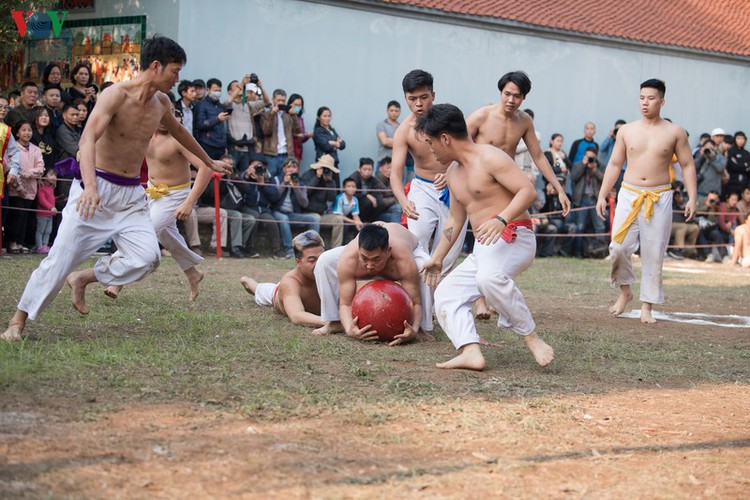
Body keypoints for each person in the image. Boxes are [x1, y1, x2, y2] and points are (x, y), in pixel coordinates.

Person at [2, 35, 230, 342]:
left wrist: (209, 161)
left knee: (148, 257)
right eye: (175, 71)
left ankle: (83, 279)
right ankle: (18, 320)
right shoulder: (115, 96)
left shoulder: (162, 103)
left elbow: (181, 134)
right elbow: (87, 138)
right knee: (60, 260)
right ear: (156, 66)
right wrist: (92, 188)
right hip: (95, 190)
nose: (178, 79)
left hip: (132, 194)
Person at [413, 103, 553, 371]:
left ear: (445, 139)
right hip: (485, 247)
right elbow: (455, 219)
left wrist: (501, 219)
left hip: (514, 235)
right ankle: (470, 351)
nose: (430, 150)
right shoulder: (453, 174)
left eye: (431, 143)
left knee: (488, 278)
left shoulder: (490, 157)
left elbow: (527, 192)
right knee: (446, 293)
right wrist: (437, 257)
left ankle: (532, 338)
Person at [466, 71, 570, 316]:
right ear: (500, 92)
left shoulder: (524, 121)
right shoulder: (481, 116)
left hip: (506, 183)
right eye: (507, 94)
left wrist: (558, 187)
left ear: (524, 98)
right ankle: (481, 299)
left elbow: (537, 155)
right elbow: (457, 145)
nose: (511, 100)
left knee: (502, 234)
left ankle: (490, 289)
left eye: (517, 96)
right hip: (480, 183)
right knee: (481, 236)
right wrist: (446, 171)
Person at [595, 78, 697, 324]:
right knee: (618, 247)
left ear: (661, 101)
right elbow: (615, 164)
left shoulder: (675, 132)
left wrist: (692, 197)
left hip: (659, 196)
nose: (645, 103)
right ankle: (625, 292)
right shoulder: (627, 130)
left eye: (650, 98)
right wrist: (602, 193)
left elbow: (687, 164)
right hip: (629, 193)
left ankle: (647, 306)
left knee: (654, 252)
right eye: (642, 98)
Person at [104, 102, 216, 300]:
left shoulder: (179, 139)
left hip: (176, 195)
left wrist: (189, 203)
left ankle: (116, 281)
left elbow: (206, 168)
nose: (166, 117)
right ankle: (193, 273)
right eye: (162, 112)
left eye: (171, 113)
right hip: (151, 191)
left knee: (143, 232)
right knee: (168, 237)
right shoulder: (144, 134)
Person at [389, 70, 466, 332]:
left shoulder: (450, 120)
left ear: (434, 94)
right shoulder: (405, 131)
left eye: (424, 97)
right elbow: (396, 174)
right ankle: (419, 314)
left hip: (454, 188)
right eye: (413, 99)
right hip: (421, 189)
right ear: (405, 99)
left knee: (448, 252)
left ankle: (441, 307)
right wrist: (403, 199)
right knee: (416, 245)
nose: (419, 104)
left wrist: (453, 173)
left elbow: (467, 154)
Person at [312, 222, 428, 346]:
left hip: (407, 245)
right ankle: (335, 322)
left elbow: (415, 302)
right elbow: (345, 303)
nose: (369, 266)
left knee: (426, 267)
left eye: (376, 260)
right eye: (364, 259)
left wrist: (414, 329)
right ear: (358, 252)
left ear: (388, 253)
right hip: (368, 243)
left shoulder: (403, 260)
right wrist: (349, 329)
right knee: (325, 260)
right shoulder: (349, 259)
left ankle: (421, 327)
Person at [241, 230, 326, 326]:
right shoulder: (289, 284)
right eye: (312, 260)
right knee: (256, 288)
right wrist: (332, 323)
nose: (319, 264)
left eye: (322, 258)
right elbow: (297, 316)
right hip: (276, 292)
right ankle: (246, 280)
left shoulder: (329, 270)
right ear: (298, 262)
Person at [6, 121, 45, 254]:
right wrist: (18, 186)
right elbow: (11, 166)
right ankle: (12, 242)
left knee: (26, 216)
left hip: (31, 189)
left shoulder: (36, 149)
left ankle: (21, 242)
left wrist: (30, 173)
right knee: (16, 215)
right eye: (23, 130)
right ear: (17, 133)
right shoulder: (13, 148)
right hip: (15, 189)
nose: (27, 133)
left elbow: (41, 168)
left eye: (29, 130)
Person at [299, 154, 343, 248]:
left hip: (321, 214)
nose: (325, 171)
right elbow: (305, 193)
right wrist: (317, 178)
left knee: (338, 219)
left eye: (328, 169)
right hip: (307, 213)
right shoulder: (308, 175)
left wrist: (329, 182)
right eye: (324, 168)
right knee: (315, 217)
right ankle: (314, 249)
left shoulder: (330, 180)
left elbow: (332, 199)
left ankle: (335, 249)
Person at [260, 88, 300, 177]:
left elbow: (297, 131)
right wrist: (272, 114)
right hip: (271, 155)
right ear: (273, 100)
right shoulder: (266, 114)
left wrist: (293, 115)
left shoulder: (288, 115)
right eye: (279, 100)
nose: (281, 102)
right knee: (270, 179)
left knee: (285, 180)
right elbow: (266, 131)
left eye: (283, 100)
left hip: (286, 154)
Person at [194, 78, 229, 160]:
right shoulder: (201, 105)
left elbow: (223, 128)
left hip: (221, 146)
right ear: (208, 90)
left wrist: (225, 145)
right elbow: (200, 124)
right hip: (207, 144)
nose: (218, 93)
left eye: (219, 91)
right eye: (215, 90)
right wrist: (217, 119)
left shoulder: (221, 106)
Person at [668, 181, 699, 259]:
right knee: (682, 227)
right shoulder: (667, 196)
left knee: (694, 228)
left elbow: (688, 214)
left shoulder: (684, 198)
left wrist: (681, 202)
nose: (677, 193)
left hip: (681, 223)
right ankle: (677, 249)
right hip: (669, 224)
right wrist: (671, 197)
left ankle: (688, 250)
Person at [35, 168, 58, 254]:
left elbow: (50, 198)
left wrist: (57, 200)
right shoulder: (41, 187)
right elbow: (42, 200)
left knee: (48, 231)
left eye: (55, 175)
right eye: (51, 175)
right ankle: (39, 246)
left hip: (50, 214)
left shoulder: (51, 188)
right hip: (42, 214)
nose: (53, 177)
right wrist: (50, 207)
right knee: (40, 230)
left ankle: (45, 245)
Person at [334, 177, 364, 242]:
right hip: (335, 217)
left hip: (344, 218)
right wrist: (354, 222)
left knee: (359, 226)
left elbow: (355, 215)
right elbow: (339, 215)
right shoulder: (340, 198)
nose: (351, 189)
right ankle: (342, 245)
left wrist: (358, 222)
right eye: (349, 186)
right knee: (345, 226)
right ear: (344, 188)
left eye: (353, 186)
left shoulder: (355, 199)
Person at [374, 156, 402, 223]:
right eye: (388, 168)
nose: (390, 170)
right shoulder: (376, 181)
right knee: (397, 209)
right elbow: (380, 202)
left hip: (389, 209)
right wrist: (393, 199)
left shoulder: (392, 180)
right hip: (378, 212)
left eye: (392, 168)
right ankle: (396, 231)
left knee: (397, 214)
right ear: (380, 168)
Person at [287, 93, 313, 161]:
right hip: (287, 152)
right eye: (296, 105)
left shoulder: (300, 119)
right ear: (290, 104)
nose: (298, 107)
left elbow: (301, 139)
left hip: (297, 153)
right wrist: (296, 135)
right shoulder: (285, 116)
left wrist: (307, 136)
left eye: (300, 105)